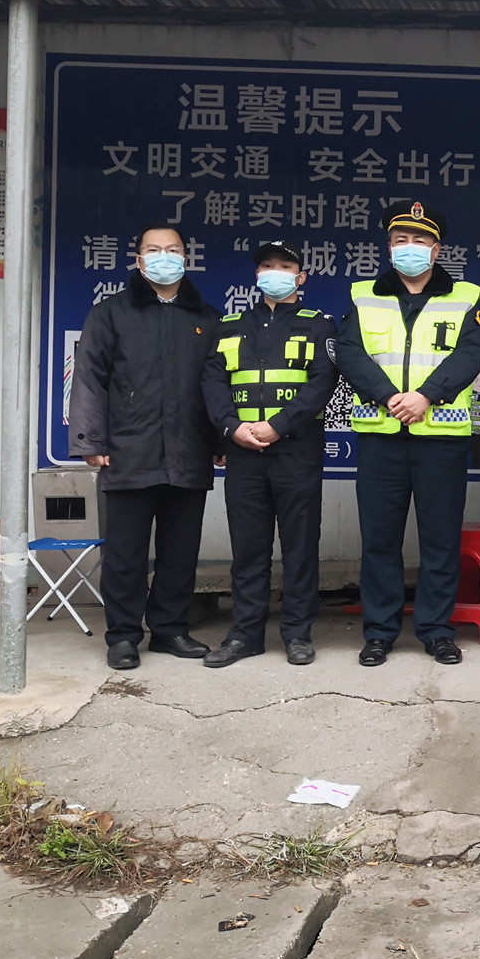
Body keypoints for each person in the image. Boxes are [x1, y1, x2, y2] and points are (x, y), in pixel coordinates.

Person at [336, 201, 480, 667]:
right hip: (381, 438)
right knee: (379, 540)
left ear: (436, 250)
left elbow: (470, 354)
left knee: (439, 541)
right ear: (389, 246)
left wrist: (426, 396)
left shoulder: (464, 297)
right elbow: (349, 351)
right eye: (401, 240)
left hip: (440, 438)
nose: (410, 247)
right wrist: (387, 396)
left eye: (420, 240)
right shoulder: (364, 295)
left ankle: (436, 631)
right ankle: (380, 633)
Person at [69, 223, 220, 670]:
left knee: (180, 551)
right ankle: (122, 636)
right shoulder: (111, 313)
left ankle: (170, 630)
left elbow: (217, 386)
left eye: (172, 249)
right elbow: (89, 378)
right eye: (153, 250)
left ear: (186, 258)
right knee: (125, 554)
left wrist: (219, 440)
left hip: (189, 452)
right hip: (127, 451)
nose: (163, 257)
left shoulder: (206, 318)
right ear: (138, 260)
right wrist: (90, 439)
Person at [200, 241, 338, 667]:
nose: (275, 272)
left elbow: (322, 383)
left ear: (301, 277)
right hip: (243, 452)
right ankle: (245, 635)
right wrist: (232, 428)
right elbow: (212, 382)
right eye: (266, 265)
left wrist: (278, 425)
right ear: (257, 275)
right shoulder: (229, 326)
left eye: (285, 265)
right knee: (248, 549)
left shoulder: (319, 326)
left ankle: (297, 634)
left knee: (300, 547)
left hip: (296, 451)